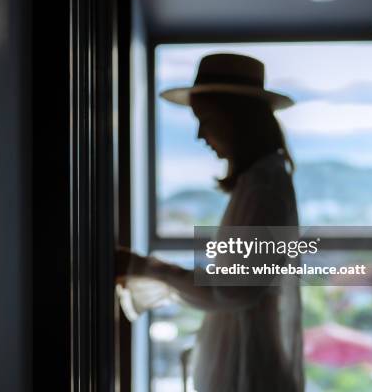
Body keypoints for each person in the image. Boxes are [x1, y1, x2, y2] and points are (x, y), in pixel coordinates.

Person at [115, 53, 304, 392]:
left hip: (248, 368)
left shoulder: (264, 187)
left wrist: (143, 266)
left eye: (206, 119)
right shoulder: (259, 183)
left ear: (236, 120)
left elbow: (231, 290)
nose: (201, 135)